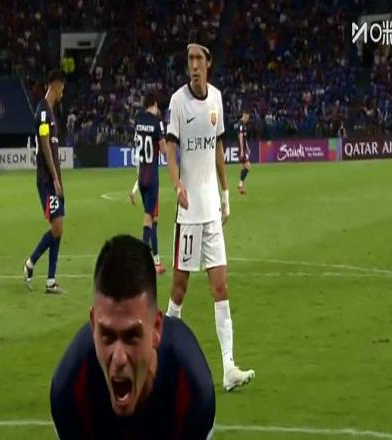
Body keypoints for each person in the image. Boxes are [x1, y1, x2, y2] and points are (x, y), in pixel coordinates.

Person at [51, 235, 215, 439]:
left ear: (156, 329)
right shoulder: (71, 390)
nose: (119, 358)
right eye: (107, 336)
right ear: (93, 327)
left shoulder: (190, 391)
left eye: (131, 337)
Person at [165, 41, 255, 391]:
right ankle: (162, 355)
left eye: (198, 59)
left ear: (208, 63)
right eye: (189, 59)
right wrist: (176, 185)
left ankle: (229, 367)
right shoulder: (177, 102)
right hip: (188, 213)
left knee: (221, 286)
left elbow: (218, 148)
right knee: (179, 290)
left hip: (212, 210)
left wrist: (226, 194)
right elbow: (170, 149)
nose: (193, 65)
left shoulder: (217, 98)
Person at [23, 70, 66, 294]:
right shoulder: (42, 112)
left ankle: (51, 281)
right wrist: (55, 178)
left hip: (54, 179)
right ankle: (30, 263)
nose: (63, 91)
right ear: (55, 85)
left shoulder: (50, 112)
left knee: (59, 226)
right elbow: (45, 144)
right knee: (56, 227)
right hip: (47, 180)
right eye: (62, 86)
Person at [129, 91, 167, 275]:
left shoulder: (138, 120)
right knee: (149, 217)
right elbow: (165, 150)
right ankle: (143, 259)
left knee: (152, 217)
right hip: (152, 175)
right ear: (155, 104)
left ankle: (155, 258)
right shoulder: (157, 123)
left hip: (141, 174)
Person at [237, 110, 251, 195]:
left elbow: (244, 138)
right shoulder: (241, 125)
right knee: (248, 166)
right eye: (247, 118)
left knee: (244, 167)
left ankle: (241, 187)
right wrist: (242, 150)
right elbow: (241, 137)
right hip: (242, 149)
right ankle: (240, 185)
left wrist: (247, 147)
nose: (248, 119)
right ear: (244, 116)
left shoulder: (243, 125)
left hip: (244, 149)